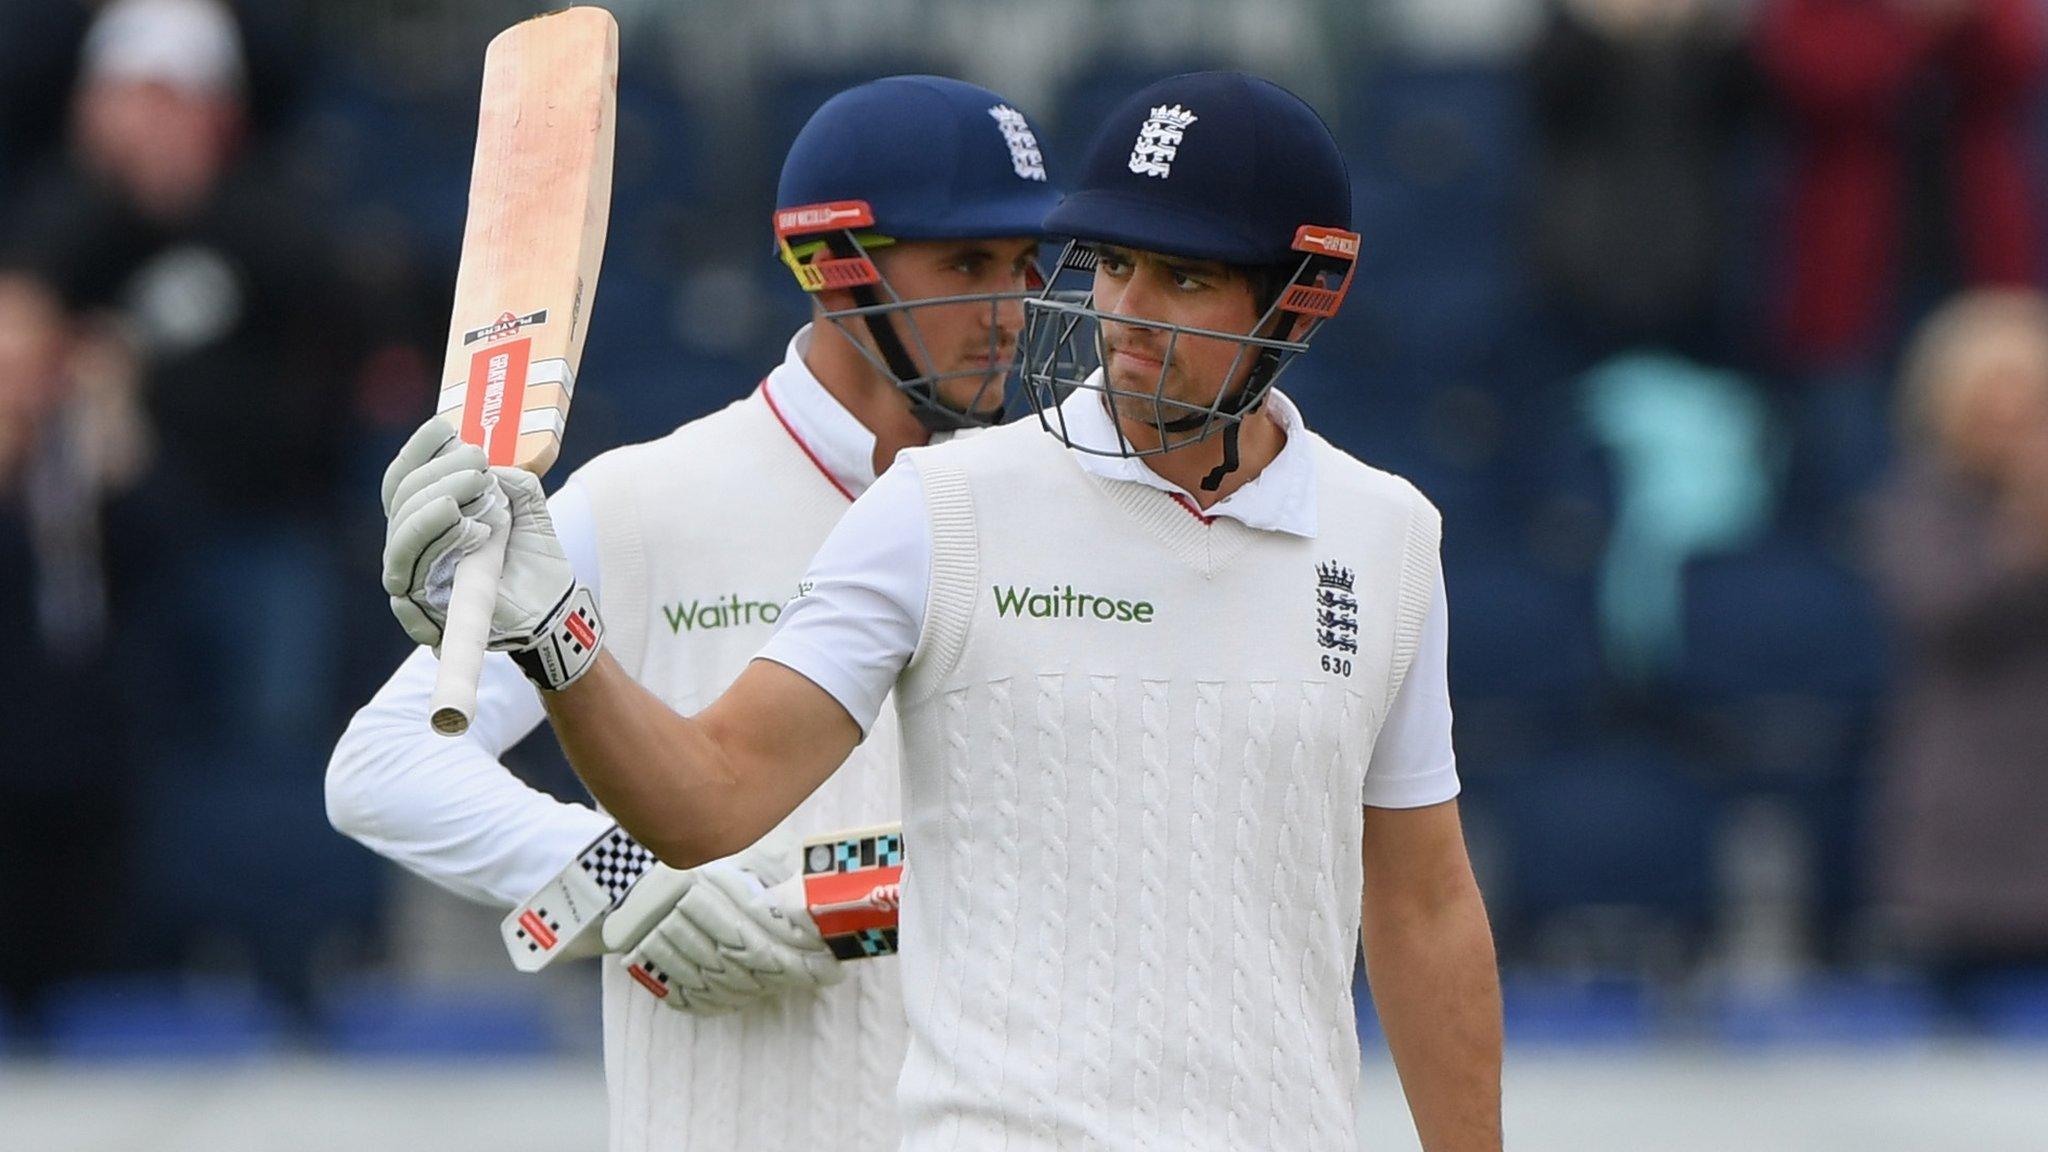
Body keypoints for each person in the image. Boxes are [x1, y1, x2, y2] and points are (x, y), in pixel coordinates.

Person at [379, 72, 1501, 1149]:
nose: (1118, 313)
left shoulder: (1386, 535)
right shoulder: (935, 504)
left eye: (1186, 278)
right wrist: (570, 698)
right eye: (1110, 263)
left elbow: (1424, 906)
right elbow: (702, 794)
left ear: (1304, 295)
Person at [329, 76, 1058, 1151]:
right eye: (964, 266)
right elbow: (385, 765)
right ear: (835, 268)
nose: (1007, 311)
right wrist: (622, 882)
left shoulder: (1047, 508)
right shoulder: (643, 500)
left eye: (1021, 267)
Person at [1867, 289, 2048, 994]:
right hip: (1967, 829)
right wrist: (2030, 520)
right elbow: (1945, 613)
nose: (2009, 416)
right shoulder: (1917, 508)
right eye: (1991, 393)